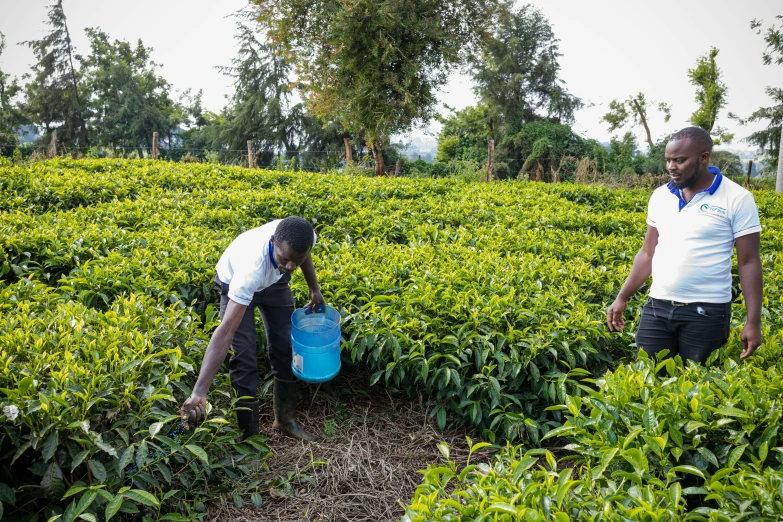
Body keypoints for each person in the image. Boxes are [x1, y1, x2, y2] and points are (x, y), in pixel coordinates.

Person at [606, 126, 763, 363]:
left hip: (707, 311)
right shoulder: (660, 196)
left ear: (703, 158)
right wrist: (622, 296)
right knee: (648, 375)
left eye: (679, 160)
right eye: (668, 160)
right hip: (658, 306)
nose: (671, 167)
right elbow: (648, 252)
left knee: (697, 385)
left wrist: (753, 322)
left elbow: (749, 261)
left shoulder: (737, 198)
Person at [180, 216, 325, 441]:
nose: (290, 267)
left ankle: (285, 421)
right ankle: (249, 438)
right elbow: (226, 331)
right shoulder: (250, 271)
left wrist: (314, 288)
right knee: (243, 358)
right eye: (285, 259)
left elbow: (299, 256)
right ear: (272, 242)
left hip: (274, 282)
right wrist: (200, 391)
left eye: (295, 262)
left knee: (287, 345)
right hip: (233, 281)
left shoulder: (303, 236)